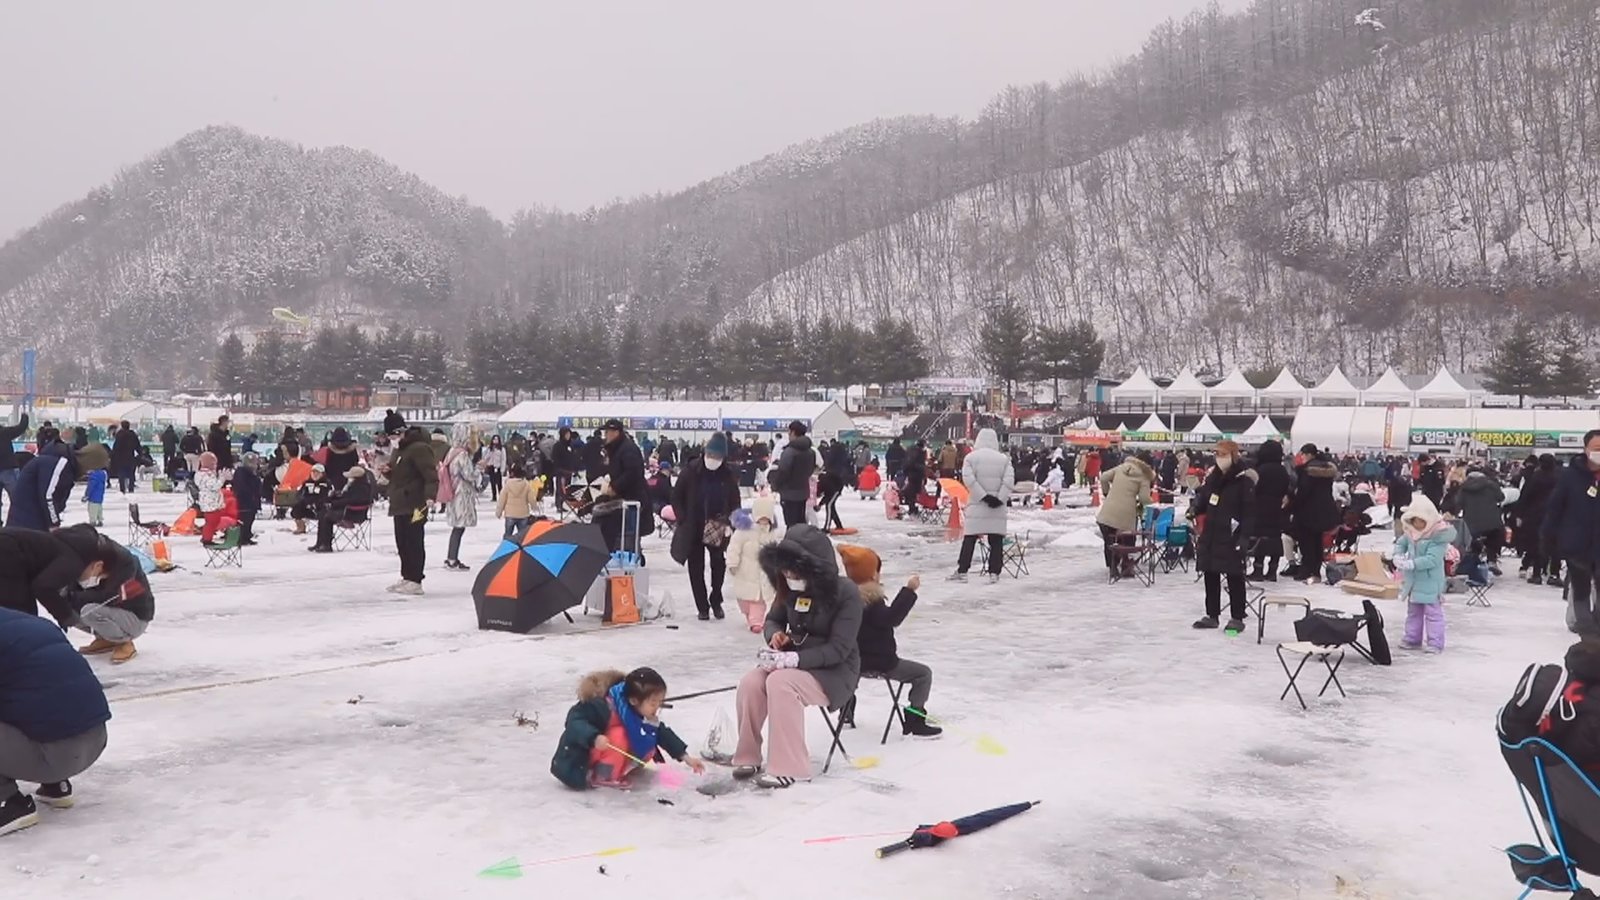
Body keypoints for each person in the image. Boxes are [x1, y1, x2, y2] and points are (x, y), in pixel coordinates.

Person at [733, 525, 861, 789]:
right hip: (792, 662)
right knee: (751, 682)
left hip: (835, 672)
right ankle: (748, 755)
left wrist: (795, 661)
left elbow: (840, 649)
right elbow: (772, 620)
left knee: (781, 684)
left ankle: (790, 766)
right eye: (785, 568)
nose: (789, 574)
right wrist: (776, 636)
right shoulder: (788, 588)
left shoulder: (846, 593)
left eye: (794, 569)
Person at [0, 607, 112, 836]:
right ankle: (56, 787)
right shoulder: (28, 622)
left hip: (55, 754)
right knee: (34, 691)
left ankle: (9, 803)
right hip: (96, 739)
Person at [838, 546, 941, 738]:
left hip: (852, 664)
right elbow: (892, 618)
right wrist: (909, 590)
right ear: (872, 575)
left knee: (849, 673)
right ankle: (915, 720)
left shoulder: (843, 600)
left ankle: (845, 710)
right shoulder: (871, 601)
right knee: (923, 674)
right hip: (882, 663)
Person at [551, 667, 705, 790]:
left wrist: (686, 757)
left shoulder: (635, 710)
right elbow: (574, 722)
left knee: (646, 733)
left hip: (602, 751)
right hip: (578, 761)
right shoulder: (604, 706)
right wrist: (594, 737)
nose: (657, 707)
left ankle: (620, 767)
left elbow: (660, 732)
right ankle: (603, 776)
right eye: (653, 703)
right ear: (633, 700)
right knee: (620, 735)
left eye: (660, 702)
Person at [51, 524, 156, 663]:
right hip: (109, 613)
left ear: (98, 565)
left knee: (89, 611)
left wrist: (74, 596)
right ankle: (106, 638)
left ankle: (124, 642)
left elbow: (111, 597)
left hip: (135, 617)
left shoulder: (126, 565)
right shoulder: (88, 555)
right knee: (67, 609)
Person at [670, 433, 741, 620]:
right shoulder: (691, 470)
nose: (713, 460)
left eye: (717, 457)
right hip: (693, 525)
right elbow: (676, 496)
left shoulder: (728, 474)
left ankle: (716, 599)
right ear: (705, 453)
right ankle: (702, 606)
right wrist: (683, 517)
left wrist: (731, 523)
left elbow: (735, 500)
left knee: (718, 565)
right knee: (696, 567)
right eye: (710, 455)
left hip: (717, 524)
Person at [1190, 441, 1258, 632]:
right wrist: (1195, 507)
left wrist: (1244, 537)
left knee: (1234, 576)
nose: (1219, 457)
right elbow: (1204, 499)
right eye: (1216, 454)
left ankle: (1237, 617)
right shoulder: (1214, 479)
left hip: (1232, 536)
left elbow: (1249, 513)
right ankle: (1212, 615)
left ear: (1233, 455)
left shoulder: (1244, 482)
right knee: (1210, 574)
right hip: (1211, 533)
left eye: (1222, 453)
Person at [1545, 431, 1600, 634]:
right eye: (1596, 449)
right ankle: (1587, 635)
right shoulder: (1571, 475)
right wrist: (1549, 538)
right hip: (1577, 546)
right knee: (1581, 591)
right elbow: (1555, 508)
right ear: (1586, 450)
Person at [950, 428, 1015, 583]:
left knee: (970, 538)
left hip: (977, 504)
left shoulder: (971, 458)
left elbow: (968, 480)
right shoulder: (1004, 459)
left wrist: (984, 497)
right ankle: (994, 572)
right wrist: (999, 498)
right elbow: (1009, 481)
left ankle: (963, 570)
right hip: (997, 508)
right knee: (996, 540)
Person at [1394, 496, 1453, 652]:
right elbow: (1401, 543)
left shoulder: (1438, 536)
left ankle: (1435, 642)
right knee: (1413, 611)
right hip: (1413, 581)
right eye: (1414, 520)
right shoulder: (1411, 533)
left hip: (1430, 581)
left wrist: (1413, 564)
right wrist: (1397, 555)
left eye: (1420, 521)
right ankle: (1412, 638)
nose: (1417, 524)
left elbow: (1432, 559)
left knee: (1433, 613)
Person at [384, 426, 438, 595]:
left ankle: (416, 579)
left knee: (414, 539)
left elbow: (430, 475)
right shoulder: (399, 450)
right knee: (402, 541)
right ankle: (407, 576)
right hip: (400, 502)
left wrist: (430, 496)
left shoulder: (420, 448)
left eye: (394, 434)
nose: (392, 438)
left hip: (417, 504)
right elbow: (400, 475)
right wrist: (388, 472)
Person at [593, 420, 653, 555]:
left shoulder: (628, 449)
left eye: (607, 432)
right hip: (622, 495)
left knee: (610, 523)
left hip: (632, 497)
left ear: (615, 432)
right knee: (600, 512)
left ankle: (614, 553)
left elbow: (633, 472)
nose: (605, 435)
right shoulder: (617, 449)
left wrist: (615, 487)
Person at [1095, 454, 1155, 577]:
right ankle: (1126, 566)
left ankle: (1113, 567)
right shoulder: (1144, 476)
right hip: (1126, 515)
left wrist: (1107, 492)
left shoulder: (1121, 468)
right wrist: (1152, 504)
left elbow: (1103, 478)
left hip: (1107, 512)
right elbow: (1144, 498)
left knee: (1110, 541)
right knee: (1128, 540)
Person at [1287, 445, 1340, 585]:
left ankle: (1306, 570)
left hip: (1308, 511)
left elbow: (1303, 493)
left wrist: (1293, 505)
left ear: (1309, 455)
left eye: (1303, 454)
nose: (1302, 457)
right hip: (1324, 511)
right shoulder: (1326, 471)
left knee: (1306, 542)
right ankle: (1315, 570)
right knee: (1317, 541)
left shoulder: (1307, 471)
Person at [726, 496, 780, 633]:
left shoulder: (772, 533)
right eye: (761, 517)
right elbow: (734, 547)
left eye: (766, 518)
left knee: (759, 599)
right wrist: (732, 562)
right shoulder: (744, 531)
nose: (763, 521)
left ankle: (756, 622)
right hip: (744, 571)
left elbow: (777, 548)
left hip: (763, 573)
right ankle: (749, 614)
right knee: (744, 599)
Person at [6, 437, 80, 532]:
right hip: (28, 526)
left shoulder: (49, 461)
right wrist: (54, 524)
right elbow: (48, 495)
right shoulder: (54, 463)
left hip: (25, 523)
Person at [1248, 440, 1292, 582]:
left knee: (1260, 538)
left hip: (1260, 507)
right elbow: (1287, 488)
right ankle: (1272, 571)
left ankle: (1258, 570)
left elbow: (1253, 488)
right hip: (1277, 508)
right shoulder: (1283, 470)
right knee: (1274, 539)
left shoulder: (1260, 470)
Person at [1515, 454, 1560, 585]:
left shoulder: (1535, 477)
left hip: (1535, 515)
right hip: (1554, 514)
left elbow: (1525, 496)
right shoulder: (1559, 477)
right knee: (1554, 545)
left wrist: (1519, 514)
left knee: (1536, 544)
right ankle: (1554, 574)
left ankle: (1536, 574)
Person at [1451, 467, 1506, 570]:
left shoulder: (1464, 487)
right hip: (1492, 521)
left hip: (1471, 522)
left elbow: (1459, 503)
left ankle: (1473, 561)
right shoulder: (1491, 485)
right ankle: (1492, 560)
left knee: (1472, 539)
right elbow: (1501, 497)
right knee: (1494, 536)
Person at [442, 424, 479, 571]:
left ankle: (452, 557)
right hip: (461, 494)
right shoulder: (462, 454)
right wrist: (479, 469)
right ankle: (452, 558)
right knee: (459, 527)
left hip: (453, 491)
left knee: (457, 527)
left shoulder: (451, 452)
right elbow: (469, 475)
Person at [310, 467, 373, 553]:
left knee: (327, 517)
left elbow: (353, 501)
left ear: (356, 478)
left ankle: (326, 545)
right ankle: (320, 543)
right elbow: (346, 497)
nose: (348, 478)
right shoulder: (353, 486)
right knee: (322, 514)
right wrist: (333, 497)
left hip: (354, 514)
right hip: (349, 511)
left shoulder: (361, 488)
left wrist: (335, 503)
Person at [769, 420, 817, 529]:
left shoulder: (789, 452)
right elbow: (810, 470)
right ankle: (800, 543)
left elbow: (783, 472)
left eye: (789, 432)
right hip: (803, 491)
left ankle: (791, 544)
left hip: (788, 493)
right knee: (800, 522)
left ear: (793, 432)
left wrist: (775, 484)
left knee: (790, 523)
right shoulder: (810, 452)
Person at [496, 462, 534, 539]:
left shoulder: (508, 485)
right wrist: (535, 508)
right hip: (523, 514)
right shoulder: (526, 484)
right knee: (523, 537)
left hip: (510, 514)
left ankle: (506, 548)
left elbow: (502, 500)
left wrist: (498, 512)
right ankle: (521, 549)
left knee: (508, 535)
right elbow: (531, 499)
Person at [109, 421, 141, 494]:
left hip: (121, 458)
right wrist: (140, 453)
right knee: (131, 474)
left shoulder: (119, 435)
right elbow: (137, 445)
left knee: (121, 473)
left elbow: (116, 447)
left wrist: (111, 455)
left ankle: (122, 489)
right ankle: (131, 488)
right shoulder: (133, 435)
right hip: (130, 456)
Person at [482, 435, 506, 502]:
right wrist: (489, 451)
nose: (495, 441)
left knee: (499, 483)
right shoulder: (489, 449)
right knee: (492, 483)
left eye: (497, 439)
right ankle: (494, 496)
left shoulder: (502, 449)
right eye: (494, 439)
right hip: (491, 467)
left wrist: (502, 469)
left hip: (497, 467)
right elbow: (485, 457)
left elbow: (503, 459)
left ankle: (501, 497)